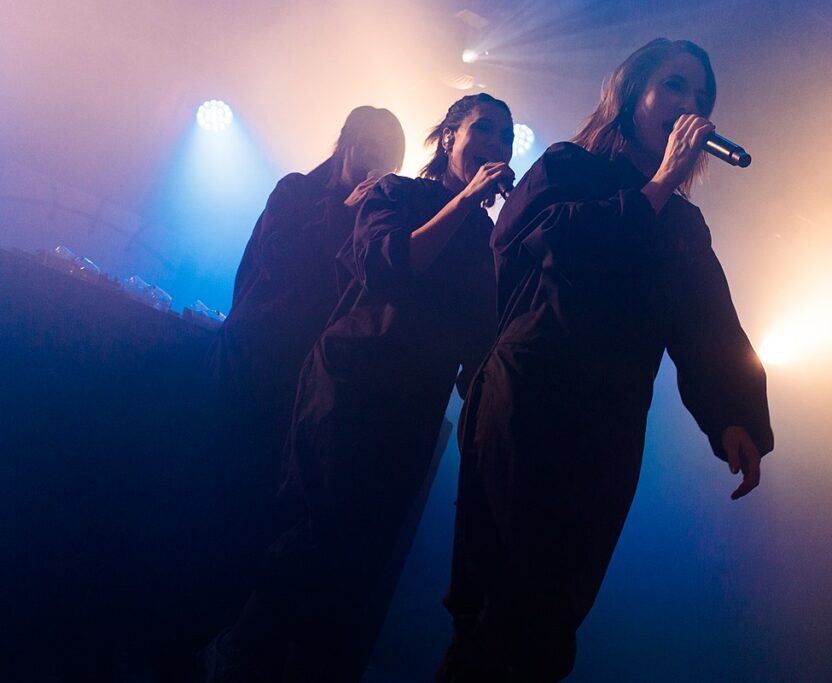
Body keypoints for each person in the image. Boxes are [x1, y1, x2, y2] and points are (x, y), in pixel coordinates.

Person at [438, 39, 774, 682]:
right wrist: (655, 186)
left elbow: (709, 323)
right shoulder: (568, 168)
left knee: (548, 626)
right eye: (675, 86)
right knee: (499, 616)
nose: (690, 106)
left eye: (701, 97)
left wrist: (735, 413)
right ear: (631, 95)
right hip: (527, 407)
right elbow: (549, 248)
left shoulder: (682, 225)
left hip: (606, 430)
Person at [205, 93, 515, 682]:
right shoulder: (396, 194)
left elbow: (478, 346)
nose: (496, 145)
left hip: (408, 418)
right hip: (345, 393)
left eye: (506, 137)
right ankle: (229, 658)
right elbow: (388, 265)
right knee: (304, 546)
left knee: (351, 575)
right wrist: (468, 200)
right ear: (448, 136)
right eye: (483, 130)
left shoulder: (486, 244)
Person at [208, 106, 406, 531]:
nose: (376, 160)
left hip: (304, 383)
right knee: (212, 486)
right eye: (369, 146)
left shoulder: (372, 227)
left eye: (388, 154)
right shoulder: (296, 191)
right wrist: (341, 211)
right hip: (250, 362)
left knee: (258, 512)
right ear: (346, 144)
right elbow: (279, 261)